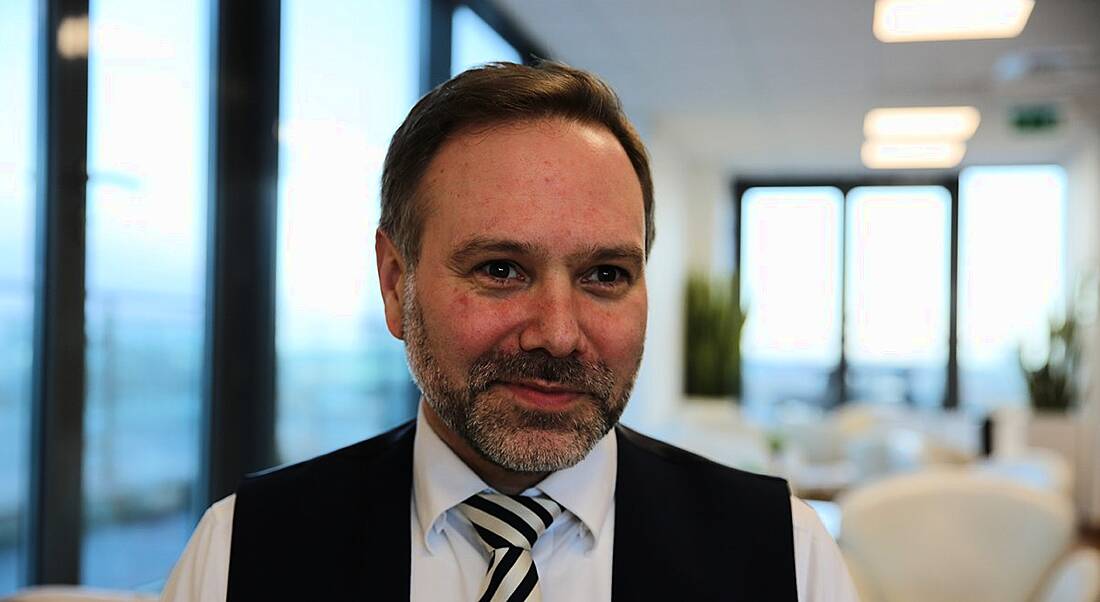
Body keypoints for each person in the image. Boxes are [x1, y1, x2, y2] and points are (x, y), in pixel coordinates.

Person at [161, 61, 857, 601]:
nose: (558, 334)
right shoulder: (239, 555)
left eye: (605, 275)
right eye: (500, 268)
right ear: (395, 283)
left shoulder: (785, 560)